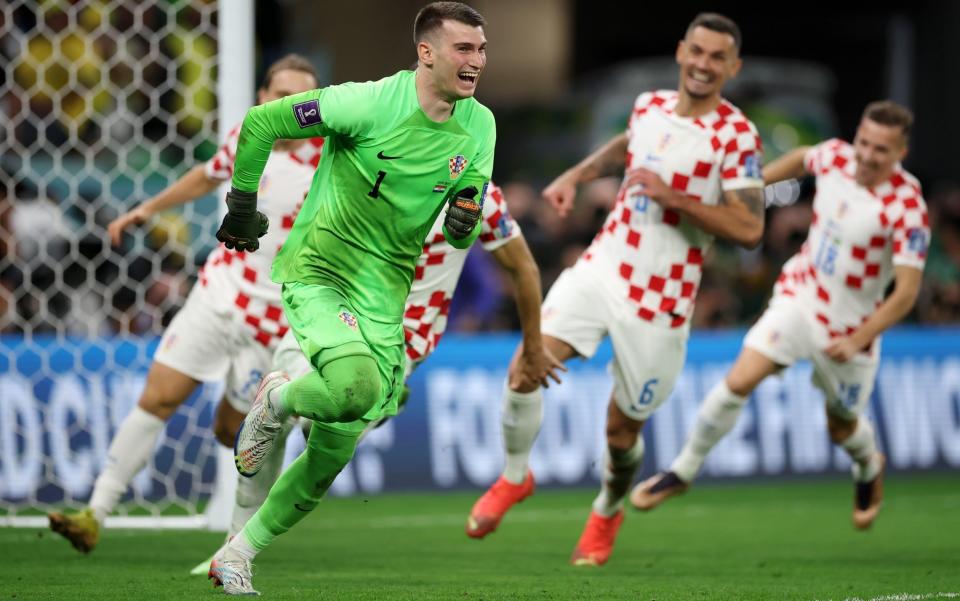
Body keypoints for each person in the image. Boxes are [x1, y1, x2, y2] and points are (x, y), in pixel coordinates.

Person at [209, 3, 560, 595]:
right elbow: (262, 122)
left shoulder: (481, 126)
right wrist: (243, 208)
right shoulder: (366, 103)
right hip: (321, 274)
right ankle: (278, 400)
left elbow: (459, 229)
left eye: (481, 50)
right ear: (427, 53)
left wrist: (465, 216)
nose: (476, 62)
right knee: (353, 391)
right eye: (463, 50)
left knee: (330, 455)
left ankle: (236, 555)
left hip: (384, 298)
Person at [465, 12, 766, 568]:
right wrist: (576, 176)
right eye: (696, 51)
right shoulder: (649, 104)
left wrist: (673, 198)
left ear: (732, 66)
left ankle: (607, 508)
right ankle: (514, 477)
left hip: (663, 302)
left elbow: (750, 228)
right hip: (603, 268)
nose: (703, 64)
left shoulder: (736, 135)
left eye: (716, 57)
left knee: (621, 429)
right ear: (681, 51)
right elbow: (629, 147)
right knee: (525, 367)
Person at [191, 180, 554, 574]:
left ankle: (377, 399)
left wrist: (533, 345)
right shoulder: (372, 163)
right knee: (280, 422)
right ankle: (234, 543)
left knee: (320, 435)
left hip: (400, 342)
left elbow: (522, 266)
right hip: (333, 312)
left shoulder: (480, 197)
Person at [46, 54, 324, 553]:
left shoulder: (330, 158)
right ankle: (95, 513)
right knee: (159, 396)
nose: (291, 104)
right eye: (281, 93)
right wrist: (148, 207)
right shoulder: (248, 134)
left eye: (302, 97)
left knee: (230, 435)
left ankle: (242, 535)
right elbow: (207, 173)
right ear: (263, 97)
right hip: (218, 295)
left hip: (275, 320)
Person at [631, 101, 928, 531]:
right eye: (863, 141)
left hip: (851, 327)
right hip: (800, 296)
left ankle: (868, 464)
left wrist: (859, 336)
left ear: (900, 152)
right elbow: (802, 158)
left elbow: (906, 293)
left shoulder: (907, 207)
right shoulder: (835, 156)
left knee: (842, 427)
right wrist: (751, 186)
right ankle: (682, 471)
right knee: (739, 381)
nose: (865, 155)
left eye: (880, 150)